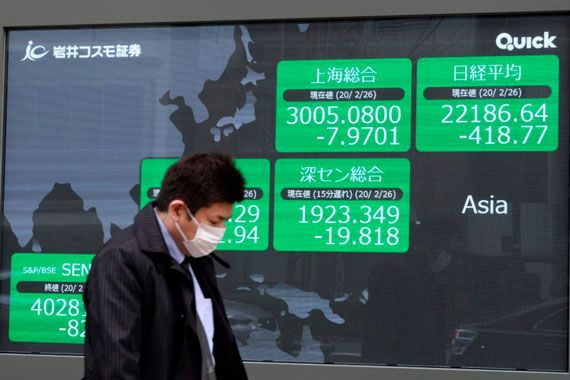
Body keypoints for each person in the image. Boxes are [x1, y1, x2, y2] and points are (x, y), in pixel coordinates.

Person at [83, 152, 248, 380]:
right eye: (214, 221)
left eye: (224, 221)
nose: (220, 230)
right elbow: (115, 367)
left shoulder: (196, 257)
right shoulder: (120, 260)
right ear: (178, 210)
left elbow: (216, 350)